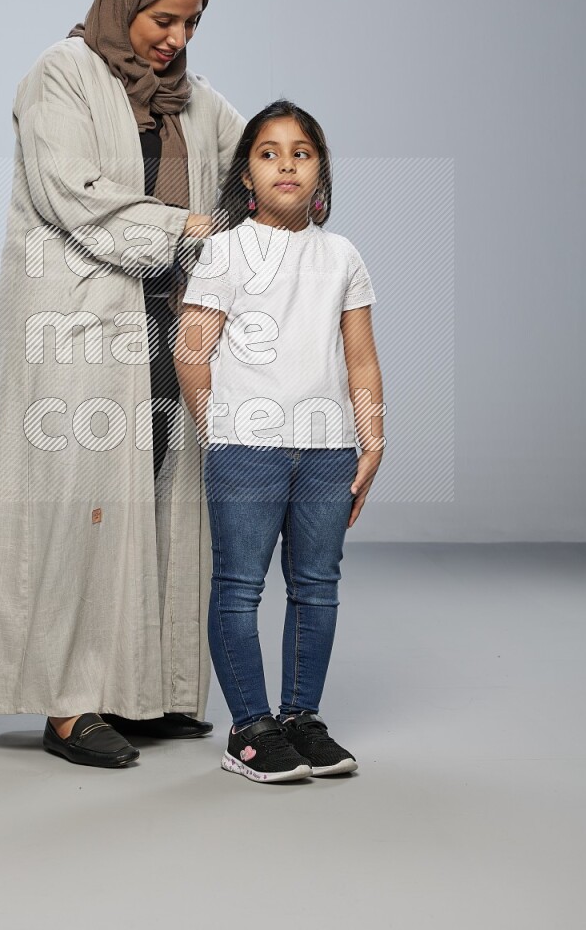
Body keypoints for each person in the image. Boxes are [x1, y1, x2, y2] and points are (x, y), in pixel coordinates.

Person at [0, 0, 246, 769]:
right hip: (78, 328)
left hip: (165, 322)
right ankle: (67, 705)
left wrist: (292, 172)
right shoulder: (62, 75)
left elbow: (252, 156)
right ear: (126, 4)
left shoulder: (194, 101)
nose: (176, 40)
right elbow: (72, 193)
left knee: (158, 496)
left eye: (192, 24)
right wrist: (189, 227)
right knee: (82, 508)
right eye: (164, 19)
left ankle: (139, 692)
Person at [174, 99, 385, 783]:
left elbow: (359, 358)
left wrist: (371, 438)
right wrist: (220, 430)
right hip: (249, 448)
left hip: (328, 450)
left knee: (316, 587)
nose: (285, 163)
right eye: (269, 152)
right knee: (239, 587)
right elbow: (192, 350)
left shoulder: (343, 255)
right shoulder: (226, 251)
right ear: (247, 177)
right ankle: (250, 730)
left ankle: (301, 719)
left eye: (301, 151)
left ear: (320, 171)